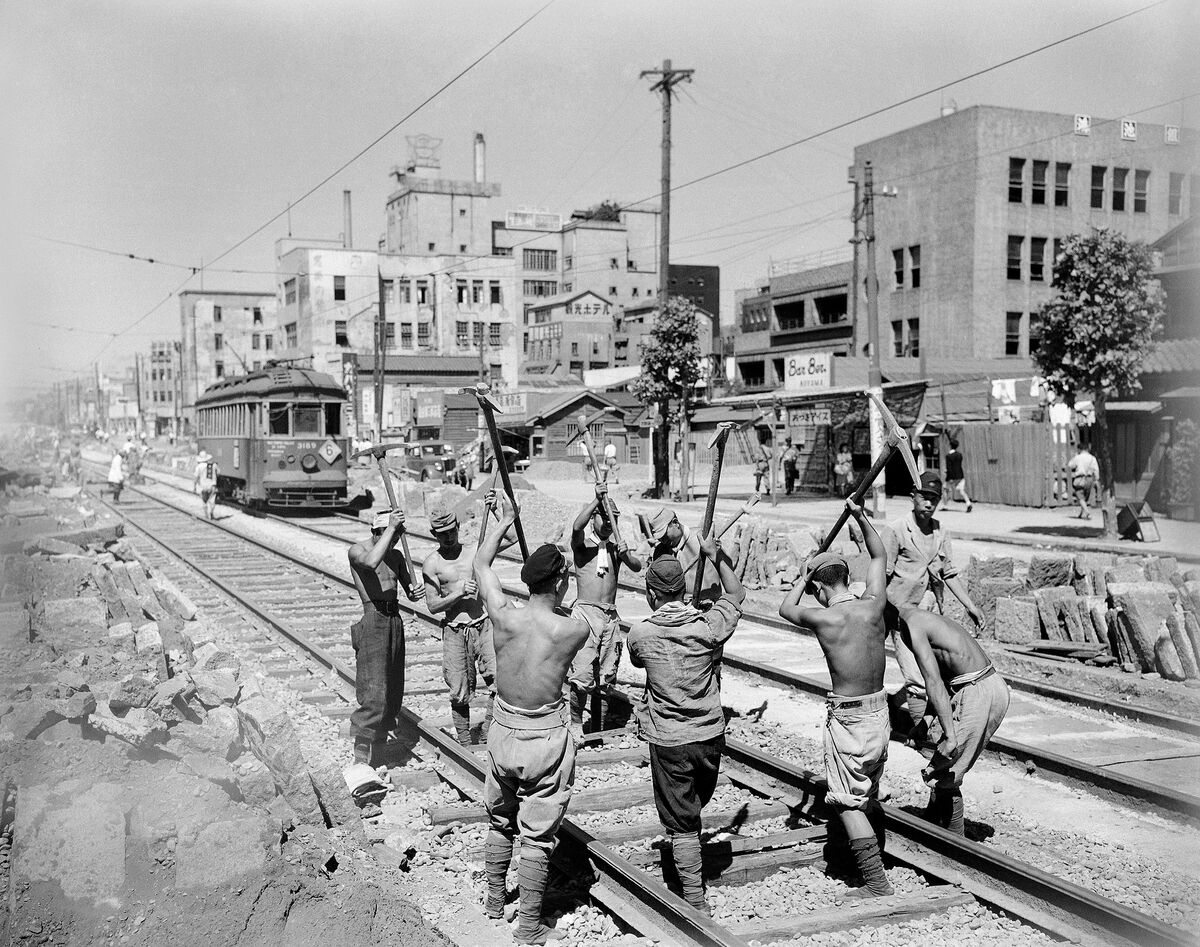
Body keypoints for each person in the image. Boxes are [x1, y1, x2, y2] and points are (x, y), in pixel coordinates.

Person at [475, 495, 589, 945]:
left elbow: (482, 564)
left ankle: (491, 899)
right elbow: (590, 599)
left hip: (503, 731)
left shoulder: (502, 616)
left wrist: (504, 521)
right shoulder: (570, 630)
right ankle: (528, 927)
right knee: (537, 838)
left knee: (500, 820)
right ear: (559, 583)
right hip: (544, 739)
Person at [779, 499, 893, 896]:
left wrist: (802, 574)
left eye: (815, 587)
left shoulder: (825, 618)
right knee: (868, 791)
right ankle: (866, 854)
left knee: (846, 800)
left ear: (821, 587)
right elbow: (878, 553)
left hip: (849, 719)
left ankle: (875, 881)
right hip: (880, 711)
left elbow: (785, 608)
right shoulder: (875, 606)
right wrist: (860, 516)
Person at [626, 533, 745, 913]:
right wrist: (715, 556)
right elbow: (736, 596)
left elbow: (638, 662)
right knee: (696, 802)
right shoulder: (709, 627)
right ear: (681, 588)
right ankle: (690, 853)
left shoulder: (641, 634)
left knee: (682, 821)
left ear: (650, 593)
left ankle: (695, 899)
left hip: (669, 739)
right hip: (710, 734)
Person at [890, 603, 1010, 835]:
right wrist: (925, 722)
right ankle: (935, 822)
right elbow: (943, 681)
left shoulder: (910, 628)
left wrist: (951, 735)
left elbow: (934, 683)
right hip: (987, 685)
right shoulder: (918, 617)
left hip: (976, 692)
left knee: (947, 770)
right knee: (943, 759)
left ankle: (955, 843)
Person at [882, 470, 984, 731]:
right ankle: (921, 737)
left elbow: (948, 573)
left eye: (934, 499)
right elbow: (881, 573)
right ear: (912, 497)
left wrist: (970, 606)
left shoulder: (940, 532)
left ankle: (894, 705)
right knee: (918, 681)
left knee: (934, 674)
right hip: (900, 615)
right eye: (924, 497)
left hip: (929, 615)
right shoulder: (895, 530)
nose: (929, 503)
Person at [346, 509, 425, 766]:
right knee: (374, 693)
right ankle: (360, 759)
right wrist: (392, 528)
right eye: (387, 536)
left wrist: (415, 593)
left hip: (394, 620)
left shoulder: (396, 556)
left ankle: (377, 757)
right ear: (376, 532)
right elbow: (370, 563)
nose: (391, 544)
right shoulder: (357, 551)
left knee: (392, 693)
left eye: (394, 539)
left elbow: (406, 589)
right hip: (374, 619)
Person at [568, 482, 642, 735]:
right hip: (586, 614)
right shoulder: (582, 546)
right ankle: (577, 725)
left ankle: (597, 729)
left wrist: (627, 555)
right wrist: (594, 501)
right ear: (594, 519)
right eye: (605, 518)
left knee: (606, 679)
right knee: (582, 676)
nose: (610, 524)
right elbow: (576, 527)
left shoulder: (615, 547)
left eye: (614, 520)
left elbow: (636, 567)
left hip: (610, 616)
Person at [423, 505, 497, 746]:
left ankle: (486, 733)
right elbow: (433, 606)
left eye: (451, 531)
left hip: (484, 625)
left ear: (458, 528)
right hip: (455, 629)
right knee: (458, 690)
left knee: (500, 681)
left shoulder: (475, 551)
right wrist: (458, 593)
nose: (448, 536)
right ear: (434, 535)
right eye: (442, 533)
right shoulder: (432, 564)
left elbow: (510, 537)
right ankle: (465, 742)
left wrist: (496, 510)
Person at [1067, 444, 1099, 519]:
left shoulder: (1077, 457)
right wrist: (1097, 479)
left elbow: (1070, 465)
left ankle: (1087, 511)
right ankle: (1082, 513)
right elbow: (1096, 469)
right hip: (1089, 478)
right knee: (1085, 497)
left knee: (1079, 496)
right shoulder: (1092, 458)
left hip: (1080, 478)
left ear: (1079, 449)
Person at [944, 438, 972, 512]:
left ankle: (945, 505)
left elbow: (949, 468)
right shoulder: (959, 455)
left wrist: (949, 477)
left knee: (945, 489)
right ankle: (968, 503)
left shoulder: (948, 456)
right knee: (961, 491)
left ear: (950, 446)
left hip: (952, 476)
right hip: (960, 475)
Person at [193, 449, 219, 520]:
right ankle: (211, 513)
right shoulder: (214, 465)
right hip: (212, 486)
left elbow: (195, 477)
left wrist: (194, 487)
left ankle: (206, 516)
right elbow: (218, 473)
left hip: (203, 486)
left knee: (204, 502)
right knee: (212, 501)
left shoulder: (199, 467)